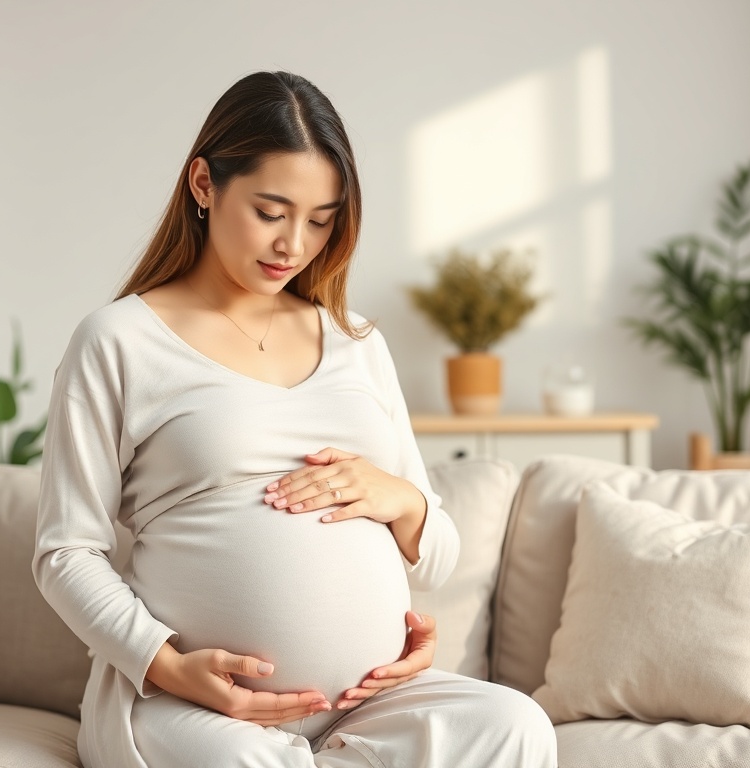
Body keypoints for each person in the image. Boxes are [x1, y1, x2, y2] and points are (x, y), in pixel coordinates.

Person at [33, 71, 557, 768]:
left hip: (366, 702)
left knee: (516, 725)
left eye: (320, 218)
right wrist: (165, 665)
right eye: (271, 211)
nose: (294, 245)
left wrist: (395, 497)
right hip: (194, 706)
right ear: (203, 184)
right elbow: (65, 552)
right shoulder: (119, 340)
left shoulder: (358, 343)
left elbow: (437, 559)